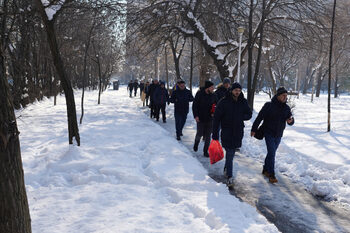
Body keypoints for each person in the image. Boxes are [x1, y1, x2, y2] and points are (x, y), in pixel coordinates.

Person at [251, 87, 295, 184]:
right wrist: (254, 129)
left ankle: (265, 169)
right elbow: (259, 118)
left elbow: (290, 120)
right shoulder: (269, 106)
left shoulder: (286, 108)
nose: (285, 97)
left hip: (279, 134)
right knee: (272, 153)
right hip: (268, 132)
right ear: (278, 95)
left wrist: (291, 121)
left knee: (272, 153)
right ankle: (271, 174)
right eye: (283, 95)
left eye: (286, 96)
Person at [212, 83, 252, 187]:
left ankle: (226, 169)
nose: (237, 92)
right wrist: (215, 134)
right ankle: (230, 176)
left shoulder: (243, 101)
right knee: (230, 153)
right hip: (227, 131)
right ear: (231, 90)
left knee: (231, 153)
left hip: (238, 131)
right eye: (235, 90)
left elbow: (249, 114)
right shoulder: (224, 102)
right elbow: (216, 118)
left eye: (239, 90)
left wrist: (241, 116)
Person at [192, 80, 217, 157]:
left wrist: (214, 110)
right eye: (212, 87)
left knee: (208, 136)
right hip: (200, 118)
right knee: (199, 133)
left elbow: (216, 104)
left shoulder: (213, 95)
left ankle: (205, 151)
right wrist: (196, 116)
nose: (213, 88)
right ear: (207, 88)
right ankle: (196, 143)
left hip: (210, 118)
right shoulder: (199, 94)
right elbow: (194, 106)